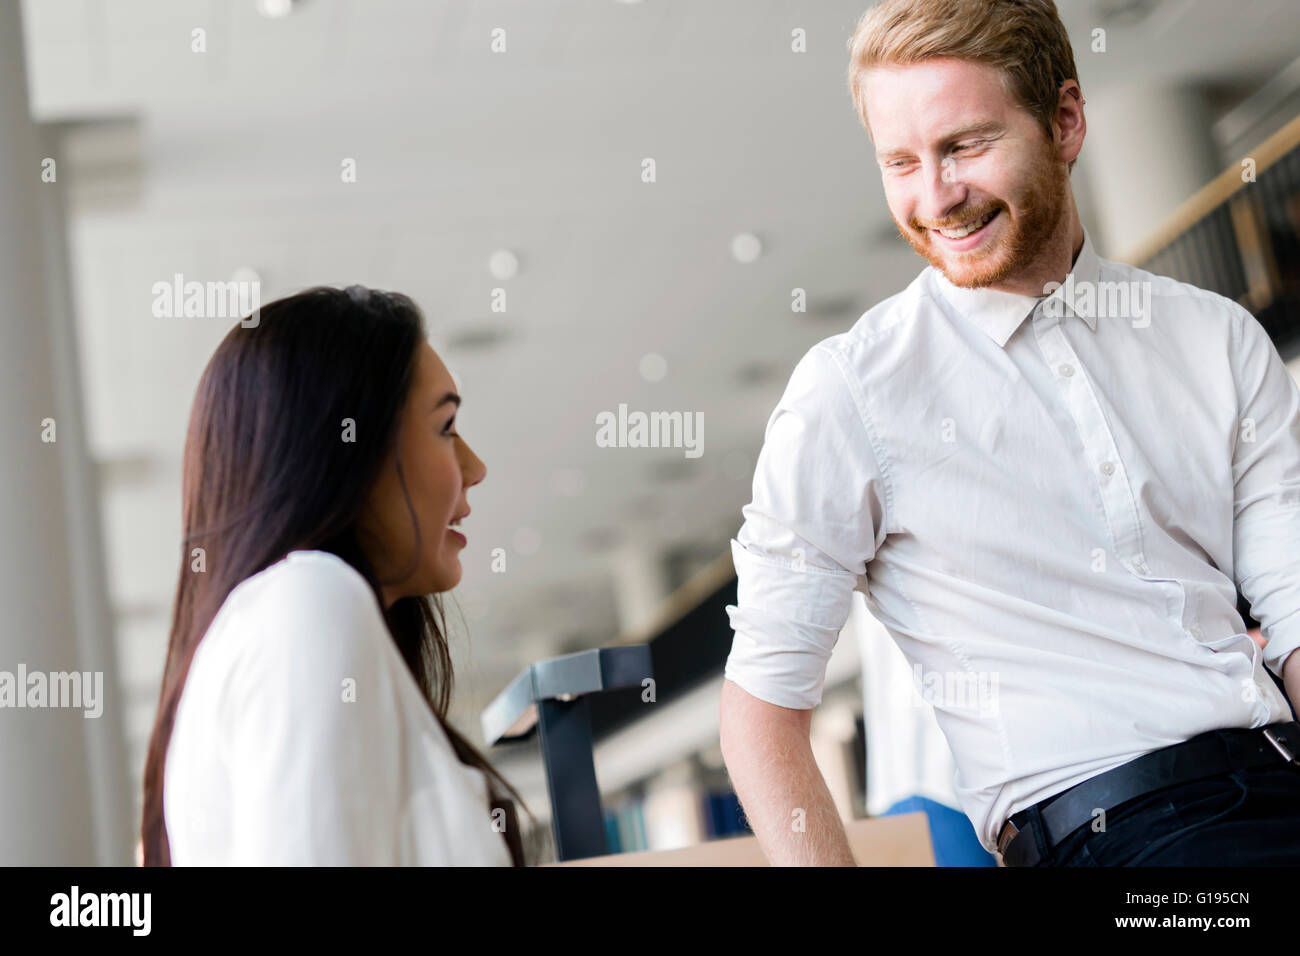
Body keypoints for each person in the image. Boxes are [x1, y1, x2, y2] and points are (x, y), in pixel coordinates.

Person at [719, 0, 1300, 867]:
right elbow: (762, 712)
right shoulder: (853, 393)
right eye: (901, 163)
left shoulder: (1214, 339)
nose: (936, 197)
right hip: (1118, 840)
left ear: (1065, 121)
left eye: (964, 146)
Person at [140, 285, 525, 865]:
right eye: (445, 427)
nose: (474, 467)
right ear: (348, 451)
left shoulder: (287, 616)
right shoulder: (309, 600)